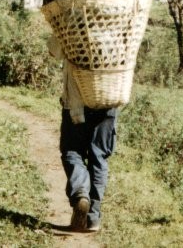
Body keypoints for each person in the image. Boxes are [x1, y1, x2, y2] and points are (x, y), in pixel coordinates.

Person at [48, 35, 119, 233]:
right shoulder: (119, 27)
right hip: (108, 101)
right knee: (99, 157)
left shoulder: (70, 25)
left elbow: (54, 50)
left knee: (72, 151)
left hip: (76, 104)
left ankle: (80, 193)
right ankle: (93, 218)